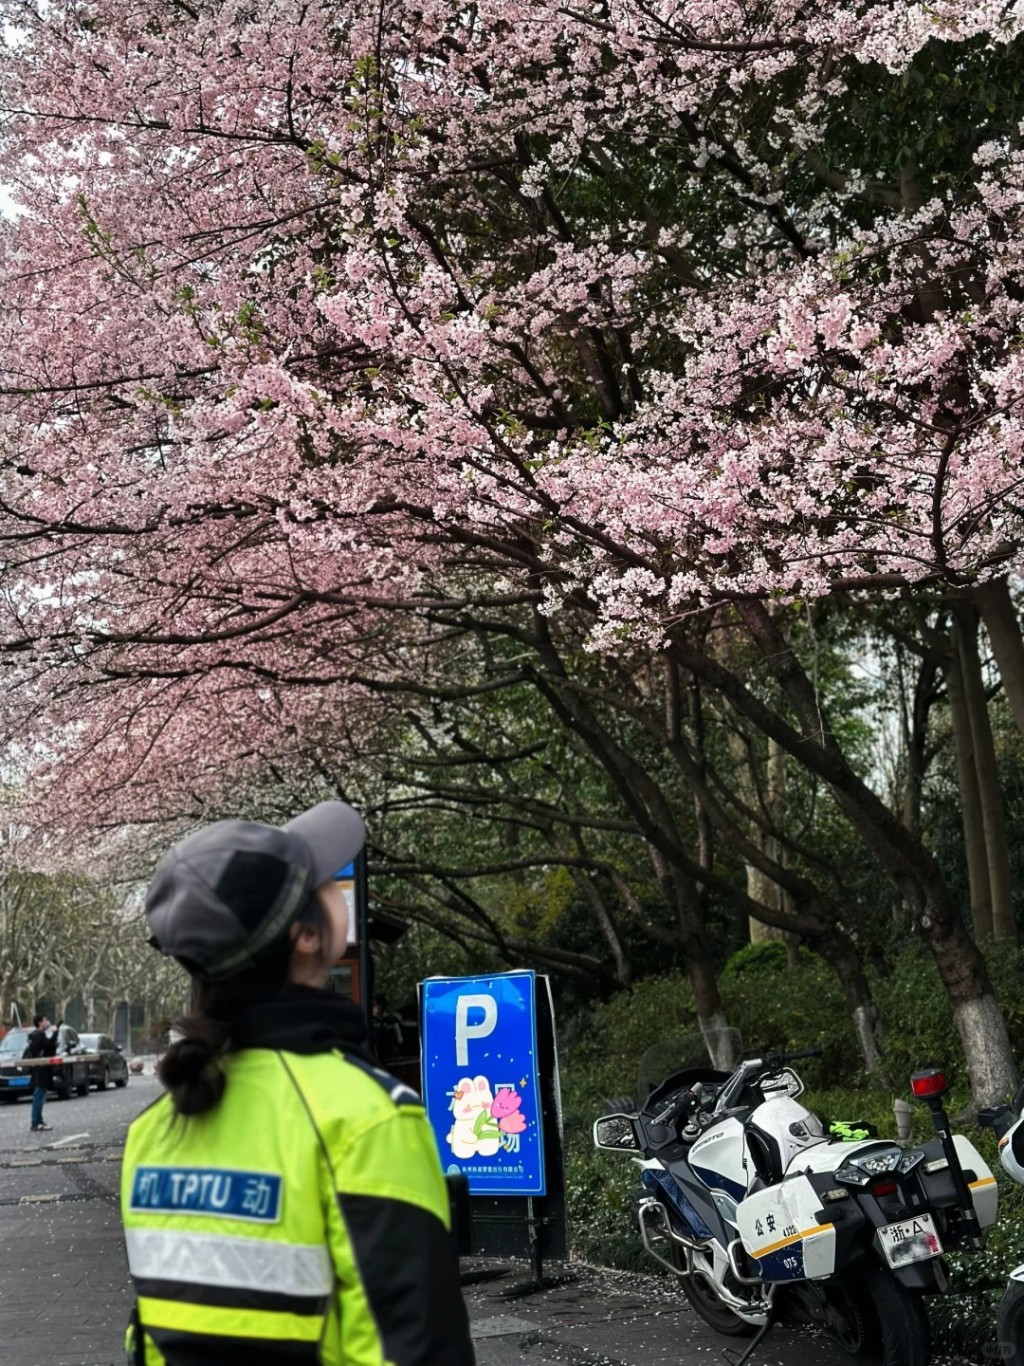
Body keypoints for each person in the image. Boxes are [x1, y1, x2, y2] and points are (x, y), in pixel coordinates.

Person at [120, 801, 475, 1366]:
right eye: (323, 881)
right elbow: (414, 1348)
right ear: (307, 937)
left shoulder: (154, 1132)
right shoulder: (370, 1117)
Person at [24, 1013, 59, 1132]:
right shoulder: (38, 1035)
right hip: (41, 1069)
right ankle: (35, 1122)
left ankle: (39, 1120)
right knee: (38, 1095)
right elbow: (48, 1044)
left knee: (41, 1095)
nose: (47, 1022)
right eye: (45, 1020)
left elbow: (49, 1047)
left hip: (43, 1068)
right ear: (40, 1022)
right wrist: (55, 1032)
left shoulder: (39, 1035)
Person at [372, 992, 404, 1063]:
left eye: (377, 1004)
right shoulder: (369, 1019)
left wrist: (396, 1048)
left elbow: (399, 1039)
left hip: (389, 1054)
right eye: (374, 1005)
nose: (375, 1007)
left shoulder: (391, 1020)